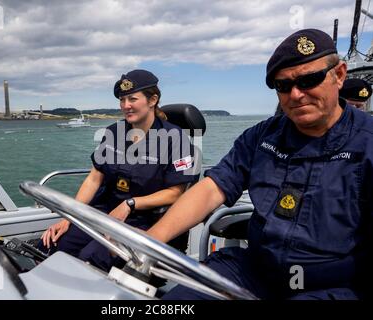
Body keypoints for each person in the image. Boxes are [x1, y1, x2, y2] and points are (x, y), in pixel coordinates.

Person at [148, 28, 373, 300]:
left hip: (331, 284)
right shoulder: (261, 138)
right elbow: (212, 188)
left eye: (309, 80)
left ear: (338, 75)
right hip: (254, 271)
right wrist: (152, 239)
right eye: (284, 86)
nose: (297, 94)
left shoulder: (367, 144)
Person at [39, 69, 198, 272]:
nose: (126, 106)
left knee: (91, 259)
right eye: (122, 100)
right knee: (51, 245)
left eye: (132, 99)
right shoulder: (114, 132)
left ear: (153, 100)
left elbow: (176, 193)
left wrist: (130, 204)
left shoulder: (175, 139)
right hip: (105, 213)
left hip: (144, 221)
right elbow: (94, 179)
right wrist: (68, 217)